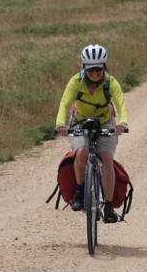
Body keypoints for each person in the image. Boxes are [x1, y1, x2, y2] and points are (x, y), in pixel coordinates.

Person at [55, 44, 129, 223]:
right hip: (80, 121)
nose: (95, 73)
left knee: (106, 158)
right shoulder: (76, 82)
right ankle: (80, 191)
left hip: (105, 122)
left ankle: (109, 206)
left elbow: (120, 103)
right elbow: (65, 103)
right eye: (91, 69)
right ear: (84, 68)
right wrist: (60, 124)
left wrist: (122, 123)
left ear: (104, 67)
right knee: (81, 152)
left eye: (98, 69)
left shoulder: (110, 82)